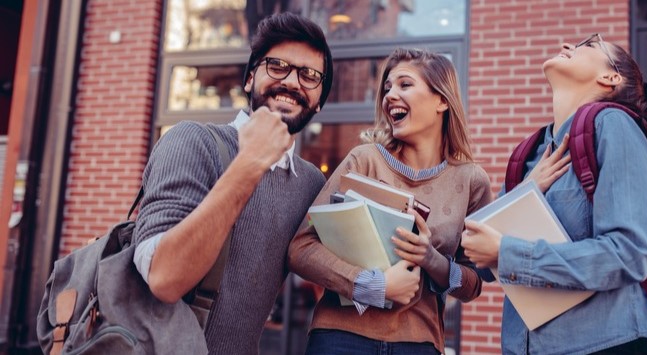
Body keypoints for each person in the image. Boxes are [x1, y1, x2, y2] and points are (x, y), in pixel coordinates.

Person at [132, 13, 333, 354]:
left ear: (319, 101)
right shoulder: (192, 141)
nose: (293, 82)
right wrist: (251, 161)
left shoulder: (311, 182)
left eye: (310, 75)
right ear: (250, 78)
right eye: (278, 65)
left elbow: (327, 277)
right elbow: (163, 278)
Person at [462, 33, 647, 354]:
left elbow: (630, 253)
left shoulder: (614, 125)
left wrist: (509, 254)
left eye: (588, 45)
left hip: (604, 345)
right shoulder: (532, 151)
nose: (567, 46)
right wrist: (528, 189)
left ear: (610, 77)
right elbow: (476, 253)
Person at [287, 48, 493, 355]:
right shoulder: (364, 160)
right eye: (387, 88)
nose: (390, 96)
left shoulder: (471, 181)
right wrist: (371, 285)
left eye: (405, 85)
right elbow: (301, 249)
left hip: (418, 342)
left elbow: (474, 283)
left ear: (441, 101)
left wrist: (432, 260)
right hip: (342, 337)